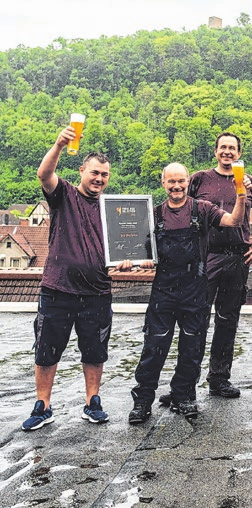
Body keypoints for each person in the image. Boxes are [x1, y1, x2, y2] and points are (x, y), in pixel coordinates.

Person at [22, 126, 128, 431]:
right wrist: (58, 144)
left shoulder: (112, 209)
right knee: (46, 350)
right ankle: (43, 405)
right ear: (82, 170)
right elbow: (44, 174)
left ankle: (93, 401)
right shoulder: (64, 194)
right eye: (94, 172)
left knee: (95, 352)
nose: (99, 179)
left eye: (105, 175)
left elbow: (123, 247)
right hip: (58, 289)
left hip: (97, 291)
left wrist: (125, 262)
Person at [128, 163, 247, 423]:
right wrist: (140, 259)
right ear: (163, 183)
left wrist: (241, 196)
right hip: (164, 290)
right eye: (171, 181)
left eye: (181, 180)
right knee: (154, 346)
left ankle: (183, 395)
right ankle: (143, 400)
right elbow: (141, 250)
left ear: (187, 181)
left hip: (195, 288)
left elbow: (234, 221)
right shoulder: (154, 214)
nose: (176, 186)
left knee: (192, 346)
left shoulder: (201, 209)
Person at [172, 132, 252, 401]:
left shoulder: (248, 182)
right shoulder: (200, 179)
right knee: (196, 321)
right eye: (223, 147)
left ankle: (219, 378)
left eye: (232, 148)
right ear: (215, 151)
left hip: (238, 258)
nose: (227, 152)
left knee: (228, 321)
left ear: (239, 153)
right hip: (206, 258)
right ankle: (184, 383)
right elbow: (180, 208)